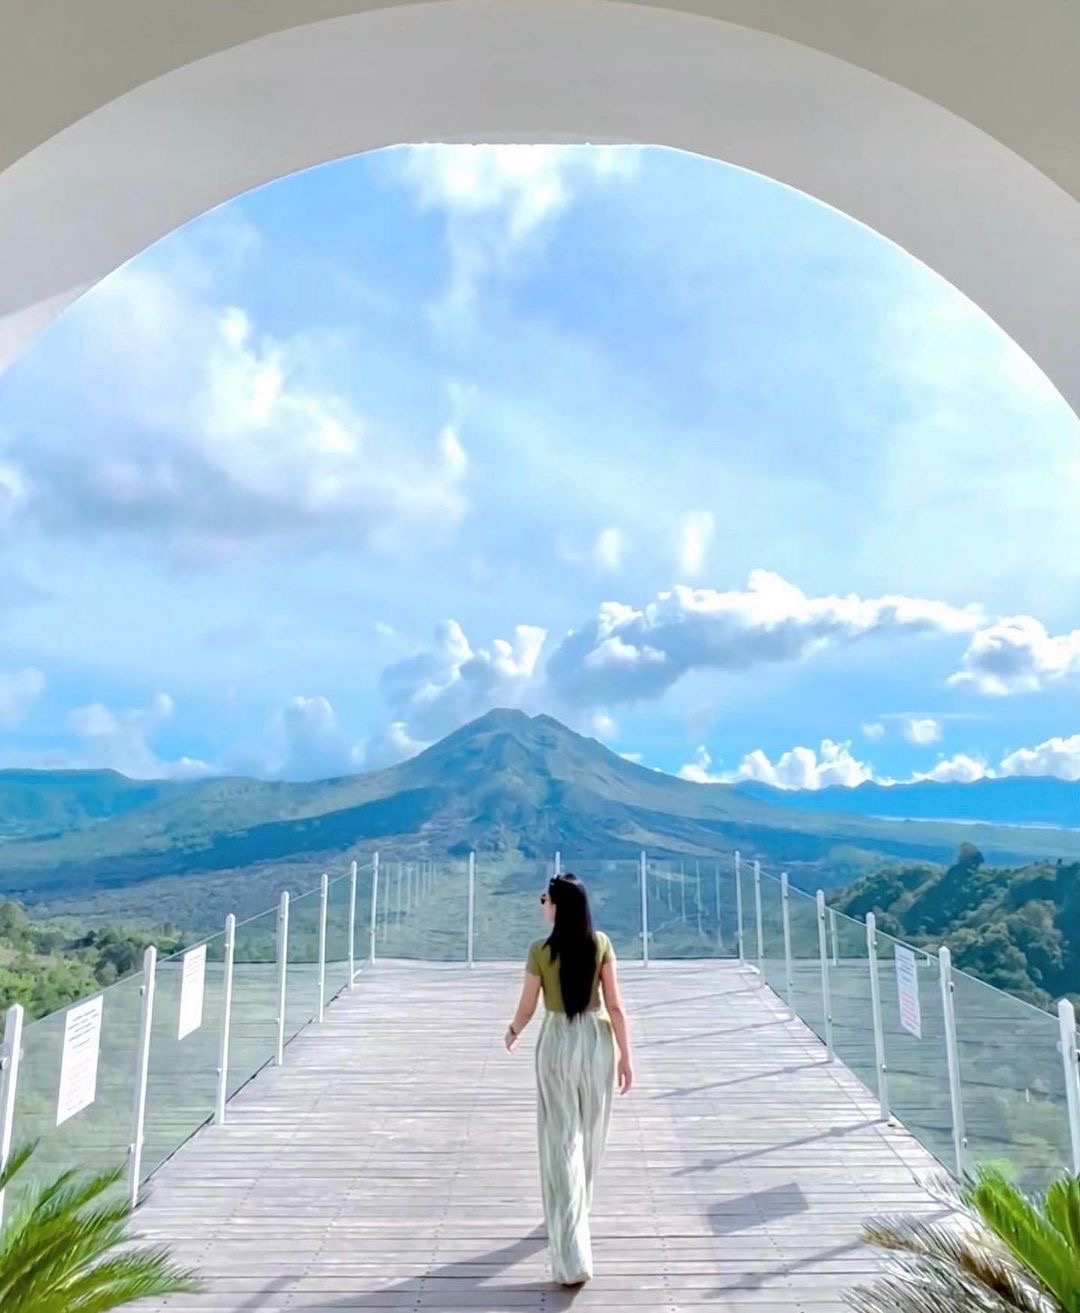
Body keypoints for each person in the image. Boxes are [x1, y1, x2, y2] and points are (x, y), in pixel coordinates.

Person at [504, 873, 634, 1287]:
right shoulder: (601, 944)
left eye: (544, 898)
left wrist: (513, 1031)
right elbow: (615, 1006)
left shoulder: (539, 951)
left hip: (557, 1043)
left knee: (562, 1141)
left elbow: (528, 1007)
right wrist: (626, 1057)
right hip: (596, 1043)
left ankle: (573, 1247)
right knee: (590, 1136)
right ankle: (576, 1212)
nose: (541, 904)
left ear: (558, 907)